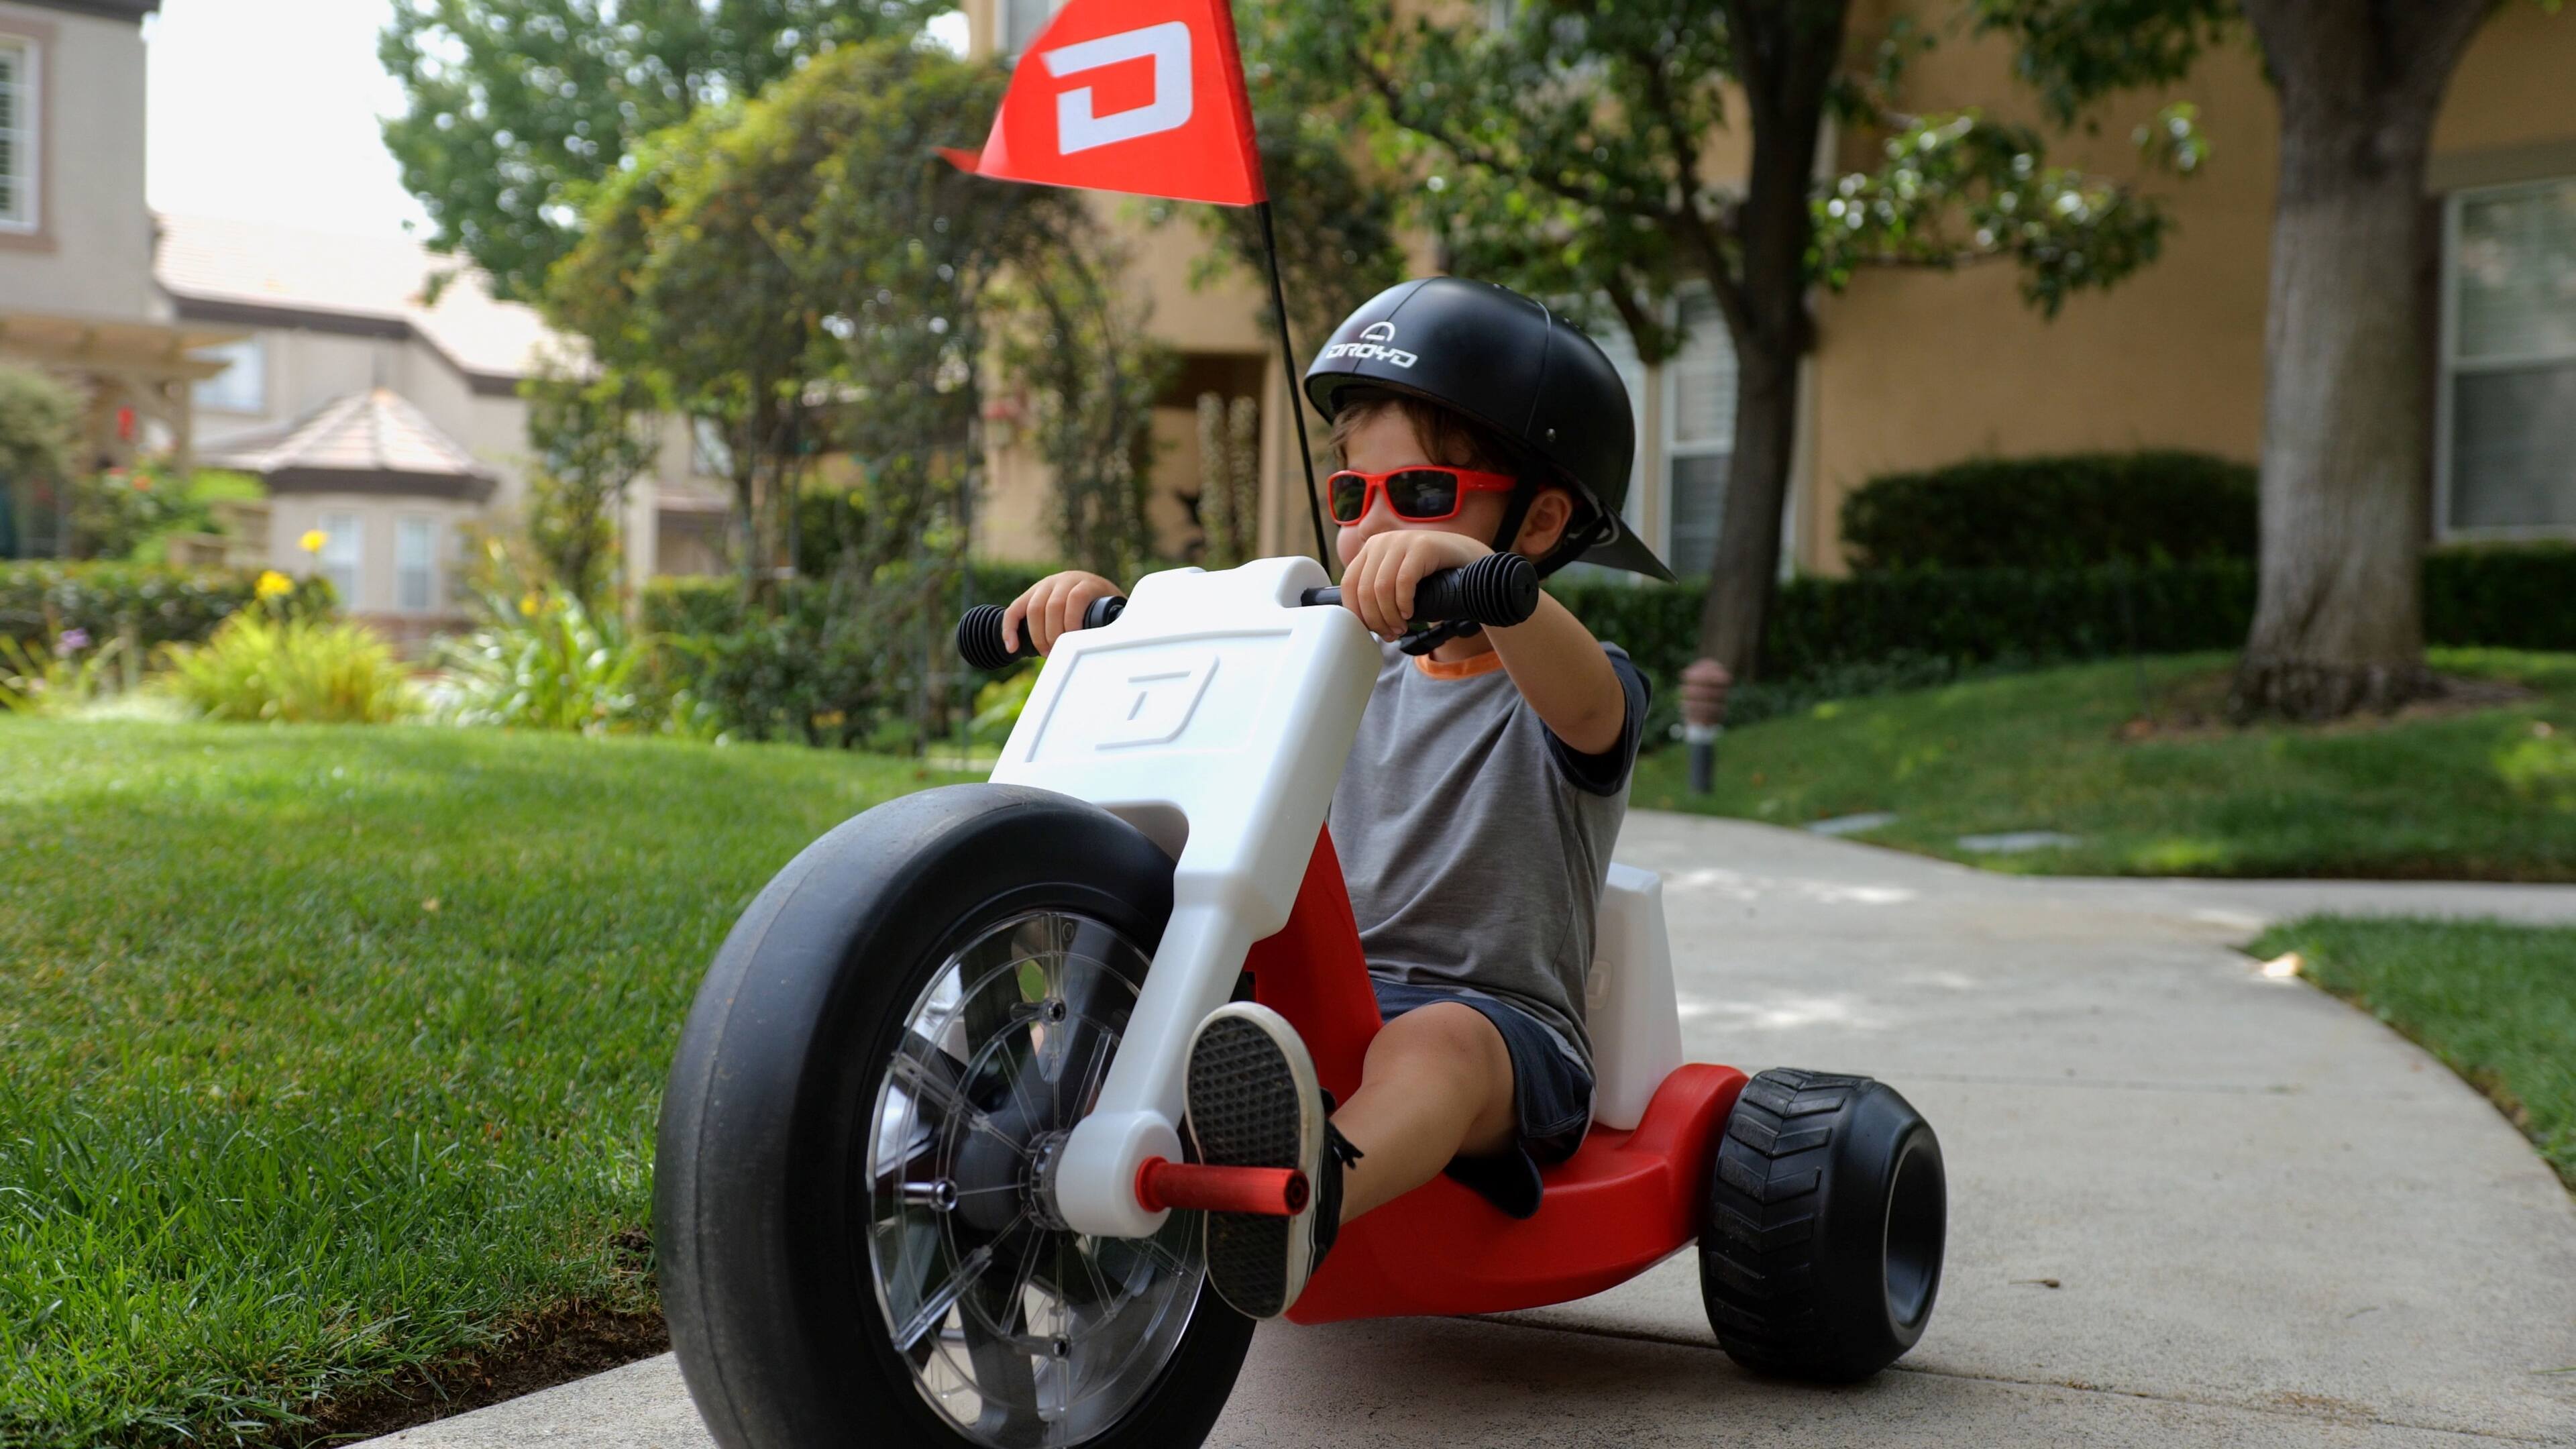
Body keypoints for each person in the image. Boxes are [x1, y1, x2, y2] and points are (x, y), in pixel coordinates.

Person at [998, 276, 1674, 1320]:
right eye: (1355, 497)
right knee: (1132, 997)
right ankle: (1016, 1159)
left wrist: (1478, 575)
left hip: (1498, 1031)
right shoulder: (1337, 677)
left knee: (1435, 1045)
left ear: (1538, 521)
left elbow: (1585, 700)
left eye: (1424, 495)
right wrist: (1098, 622)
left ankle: (1311, 1200)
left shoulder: (1575, 689)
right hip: (1313, 1017)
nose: (1374, 530)